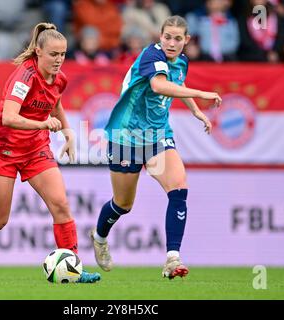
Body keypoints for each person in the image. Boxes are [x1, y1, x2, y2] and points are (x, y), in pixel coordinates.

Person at [0, 22, 101, 283]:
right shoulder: (24, 77)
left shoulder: (59, 78)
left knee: (61, 204)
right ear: (38, 51)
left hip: (35, 148)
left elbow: (54, 101)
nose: (59, 60)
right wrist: (43, 123)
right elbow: (9, 117)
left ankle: (74, 268)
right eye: (53, 54)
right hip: (2, 149)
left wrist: (68, 132)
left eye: (63, 54)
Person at [89, 15, 222, 279]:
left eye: (177, 38)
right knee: (123, 204)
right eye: (167, 37)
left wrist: (196, 112)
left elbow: (177, 81)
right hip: (126, 137)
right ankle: (100, 237)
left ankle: (173, 258)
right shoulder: (152, 56)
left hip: (158, 136)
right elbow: (158, 84)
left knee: (179, 188)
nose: (171, 43)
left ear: (187, 40)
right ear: (160, 37)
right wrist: (201, 94)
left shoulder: (181, 60)